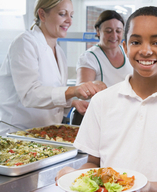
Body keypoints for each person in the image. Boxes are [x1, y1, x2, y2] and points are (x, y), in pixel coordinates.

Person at [56, 6, 157, 192]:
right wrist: (73, 177)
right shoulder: (102, 101)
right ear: (125, 46)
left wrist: (146, 189)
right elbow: (93, 164)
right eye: (136, 41)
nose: (146, 51)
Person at [0, 0, 102, 135]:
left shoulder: (59, 52)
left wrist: (72, 102)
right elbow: (29, 94)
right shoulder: (25, 43)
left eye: (71, 15)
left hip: (46, 132)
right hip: (18, 133)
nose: (69, 21)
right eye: (62, 14)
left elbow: (51, 94)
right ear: (42, 14)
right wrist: (73, 90)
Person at [71, 10, 133, 125]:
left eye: (118, 31)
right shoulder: (89, 57)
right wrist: (94, 85)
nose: (114, 36)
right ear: (98, 31)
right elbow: (81, 90)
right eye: (108, 31)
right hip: (95, 118)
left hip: (122, 116)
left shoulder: (128, 53)